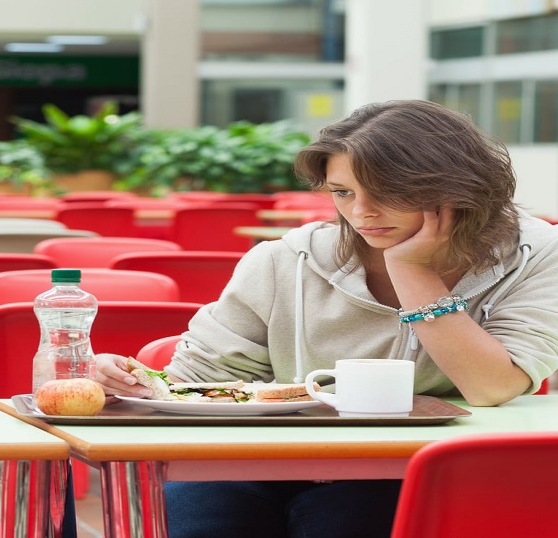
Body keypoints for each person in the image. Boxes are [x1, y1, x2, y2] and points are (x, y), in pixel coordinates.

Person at [93, 99, 558, 538]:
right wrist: (134, 383)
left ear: (457, 189)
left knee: (345, 521)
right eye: (342, 192)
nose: (362, 212)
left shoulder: (536, 254)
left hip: (413, 466)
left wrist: (412, 270)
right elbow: (199, 380)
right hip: (255, 461)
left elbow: (491, 386)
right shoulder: (284, 259)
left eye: (389, 193)